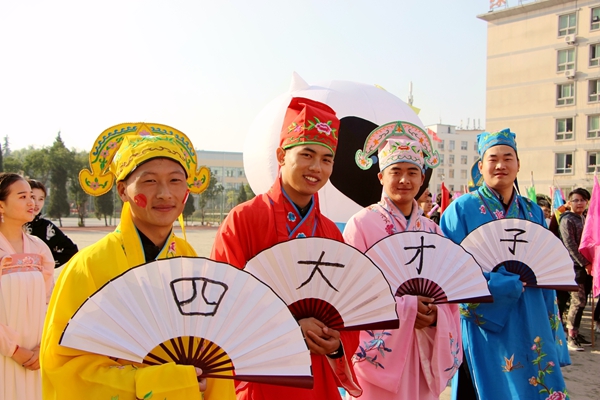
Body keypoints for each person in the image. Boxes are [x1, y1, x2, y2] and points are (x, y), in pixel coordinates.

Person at [40, 123, 235, 400]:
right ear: (122, 190)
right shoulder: (89, 266)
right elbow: (66, 367)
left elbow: (212, 352)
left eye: (176, 180)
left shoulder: (190, 259)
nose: (165, 193)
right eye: (149, 181)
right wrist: (164, 382)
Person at [211, 97, 362, 400]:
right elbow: (223, 303)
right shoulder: (243, 220)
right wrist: (290, 327)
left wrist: (336, 342)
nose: (316, 168)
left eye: (326, 159)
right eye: (307, 154)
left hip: (317, 375)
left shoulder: (331, 231)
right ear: (282, 155)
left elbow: (350, 309)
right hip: (261, 377)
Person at [440, 129, 570, 400]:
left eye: (508, 157)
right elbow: (450, 270)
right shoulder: (460, 210)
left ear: (518, 164)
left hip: (531, 311)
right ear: (480, 167)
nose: (501, 165)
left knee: (536, 379)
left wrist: (553, 329)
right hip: (486, 317)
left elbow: (544, 268)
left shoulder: (532, 210)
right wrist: (503, 285)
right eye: (493, 159)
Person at [343, 122, 461, 400]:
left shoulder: (433, 231)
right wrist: (407, 308)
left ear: (422, 180)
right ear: (381, 176)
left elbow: (449, 293)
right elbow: (350, 292)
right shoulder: (361, 225)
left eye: (412, 173)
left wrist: (434, 316)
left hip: (423, 347)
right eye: (396, 172)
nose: (404, 180)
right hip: (379, 350)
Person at [0, 173, 54, 400]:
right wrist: (12, 349)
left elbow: (51, 301)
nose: (31, 203)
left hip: (37, 356)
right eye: (22, 197)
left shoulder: (39, 248)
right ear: (1, 205)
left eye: (32, 196)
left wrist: (43, 346)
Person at [559, 188, 592, 351]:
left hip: (588, 267)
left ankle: (576, 332)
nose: (579, 203)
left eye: (583, 200)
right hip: (573, 267)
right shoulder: (567, 220)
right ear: (569, 203)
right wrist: (584, 263)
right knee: (577, 301)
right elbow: (570, 245)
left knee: (583, 301)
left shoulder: (586, 218)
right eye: (576, 200)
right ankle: (570, 336)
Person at [24, 179, 78, 268]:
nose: (37, 203)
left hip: (39, 279)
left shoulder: (46, 227)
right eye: (33, 198)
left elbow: (71, 250)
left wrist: (45, 264)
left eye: (41, 199)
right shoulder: (11, 224)